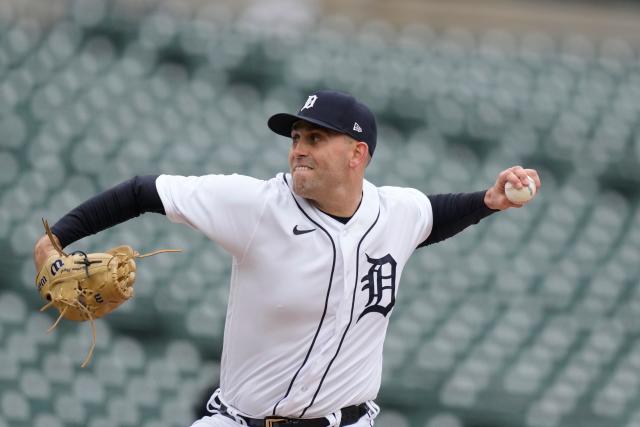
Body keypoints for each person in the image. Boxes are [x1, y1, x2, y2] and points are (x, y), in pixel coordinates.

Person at [34, 90, 541, 427]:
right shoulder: (256, 206)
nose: (298, 148)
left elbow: (432, 216)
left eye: (315, 138)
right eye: (296, 137)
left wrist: (488, 201)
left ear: (356, 154)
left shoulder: (396, 211)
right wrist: (55, 239)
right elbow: (143, 191)